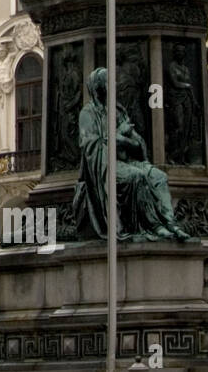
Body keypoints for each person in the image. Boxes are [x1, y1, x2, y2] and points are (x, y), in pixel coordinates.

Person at [73, 67, 193, 242]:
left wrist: (123, 139)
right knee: (137, 177)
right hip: (106, 165)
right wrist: (120, 136)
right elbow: (92, 146)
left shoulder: (118, 110)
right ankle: (155, 226)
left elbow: (137, 143)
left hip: (128, 160)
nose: (114, 84)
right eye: (109, 81)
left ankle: (171, 224)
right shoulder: (88, 113)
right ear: (100, 87)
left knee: (159, 177)